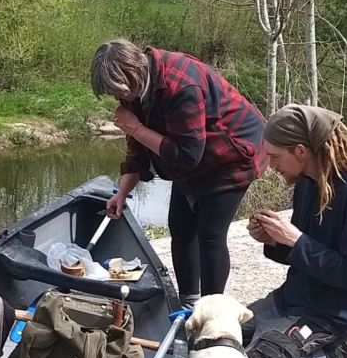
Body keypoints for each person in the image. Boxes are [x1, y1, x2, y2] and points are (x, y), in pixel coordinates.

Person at [90, 39, 266, 307]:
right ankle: (188, 304)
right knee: (181, 227)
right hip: (193, 154)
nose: (117, 98)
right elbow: (138, 146)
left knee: (210, 236)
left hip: (233, 153)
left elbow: (186, 156)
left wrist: (136, 128)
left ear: (132, 72)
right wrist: (121, 193)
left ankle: (211, 311)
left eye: (117, 90)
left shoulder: (182, 85)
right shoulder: (136, 88)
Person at [245, 103, 347, 358]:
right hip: (292, 300)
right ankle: (318, 351)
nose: (271, 166)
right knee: (220, 340)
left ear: (300, 150)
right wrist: (273, 241)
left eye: (275, 156)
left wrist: (296, 240)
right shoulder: (306, 184)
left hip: (330, 315)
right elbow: (303, 255)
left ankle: (334, 356)